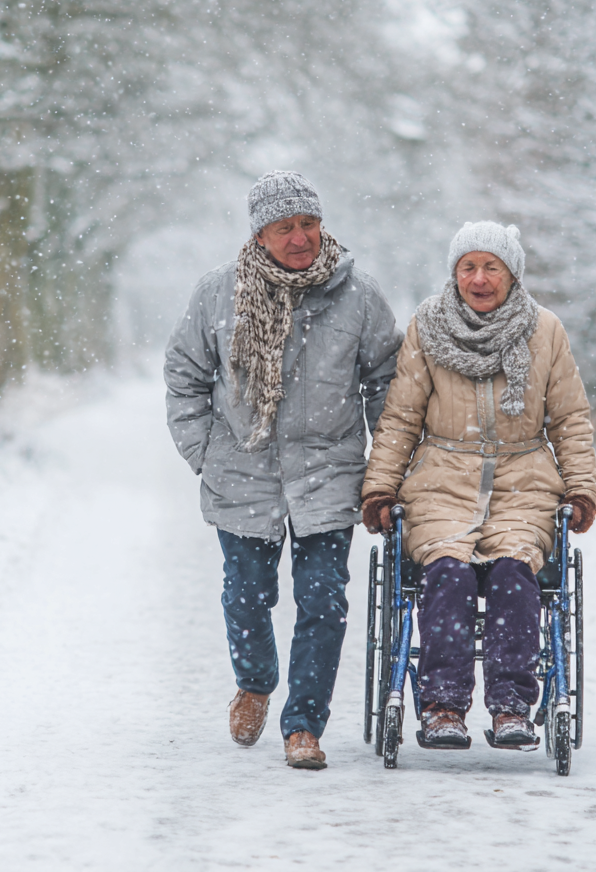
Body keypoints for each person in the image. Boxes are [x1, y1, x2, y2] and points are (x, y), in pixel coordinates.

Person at [164, 171, 403, 769]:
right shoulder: (218, 295)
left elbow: (388, 384)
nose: (300, 238)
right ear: (260, 234)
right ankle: (255, 680)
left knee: (323, 601)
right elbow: (184, 377)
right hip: (241, 470)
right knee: (247, 596)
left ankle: (304, 727)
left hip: (328, 470)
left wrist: (385, 466)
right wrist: (203, 452)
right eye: (284, 227)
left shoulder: (359, 295)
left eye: (308, 224)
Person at [360, 221, 596, 751]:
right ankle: (442, 705)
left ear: (512, 274)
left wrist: (580, 487)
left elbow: (570, 419)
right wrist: (380, 489)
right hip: (442, 479)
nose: (479, 278)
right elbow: (400, 418)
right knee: (447, 572)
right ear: (455, 273)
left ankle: (512, 706)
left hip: (524, 482)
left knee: (516, 573)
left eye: (492, 266)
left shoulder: (545, 331)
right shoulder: (427, 326)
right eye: (468, 266)